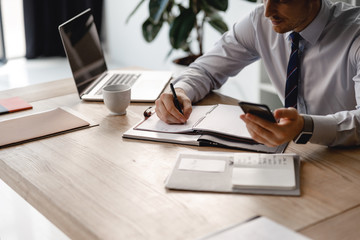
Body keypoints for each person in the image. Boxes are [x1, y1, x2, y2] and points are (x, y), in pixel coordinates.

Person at [155, 0, 360, 147]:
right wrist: (182, 91)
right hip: (295, 154)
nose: (267, 11)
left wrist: (304, 127)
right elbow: (205, 69)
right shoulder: (259, 23)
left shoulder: (355, 35)